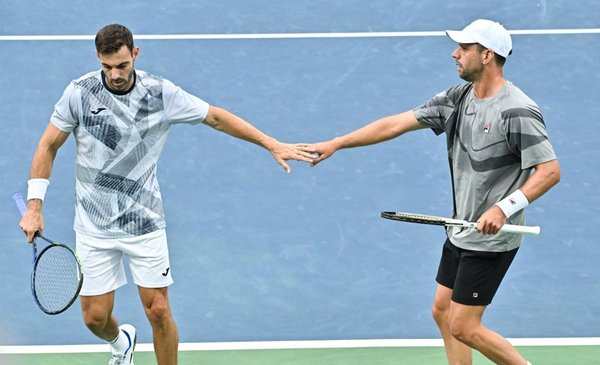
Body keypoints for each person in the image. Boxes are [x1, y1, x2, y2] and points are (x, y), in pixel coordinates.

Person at [18, 24, 315, 365]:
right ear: (98, 59)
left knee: (158, 310)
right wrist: (34, 206)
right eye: (107, 67)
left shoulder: (160, 94)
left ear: (136, 55)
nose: (115, 74)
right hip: (93, 224)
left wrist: (271, 144)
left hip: (143, 221)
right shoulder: (79, 93)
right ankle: (121, 342)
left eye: (122, 65)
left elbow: (215, 117)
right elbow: (48, 144)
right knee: (94, 319)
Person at [308, 19, 560, 365]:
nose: (455, 54)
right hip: (461, 227)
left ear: (487, 55)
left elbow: (549, 171)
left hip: (490, 238)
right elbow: (395, 123)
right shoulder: (457, 98)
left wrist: (504, 208)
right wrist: (337, 143)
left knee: (464, 326)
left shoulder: (517, 110)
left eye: (465, 48)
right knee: (442, 311)